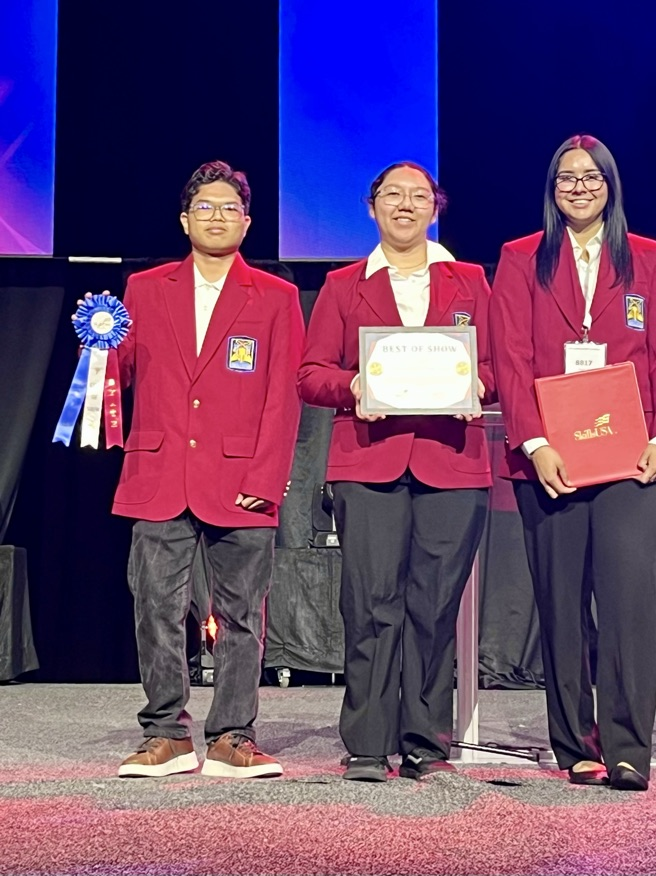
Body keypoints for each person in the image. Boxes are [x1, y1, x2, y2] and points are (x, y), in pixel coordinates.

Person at [489, 134, 656, 791]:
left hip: (631, 457)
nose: (578, 187)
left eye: (591, 177)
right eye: (566, 178)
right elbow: (510, 359)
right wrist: (533, 443)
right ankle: (576, 744)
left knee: (630, 606)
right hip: (551, 458)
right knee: (562, 604)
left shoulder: (649, 259)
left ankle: (630, 748)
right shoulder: (521, 259)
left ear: (610, 185)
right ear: (553, 189)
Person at [298, 161, 494, 781]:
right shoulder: (343, 285)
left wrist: (478, 383)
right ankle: (365, 741)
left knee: (434, 606)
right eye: (392, 195)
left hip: (452, 463)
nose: (405, 206)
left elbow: (494, 365)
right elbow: (310, 374)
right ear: (371, 207)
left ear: (436, 207)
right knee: (369, 602)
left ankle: (425, 741)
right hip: (369, 461)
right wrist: (356, 382)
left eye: (419, 196)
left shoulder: (470, 280)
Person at [108, 160, 304, 778]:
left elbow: (283, 397)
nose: (216, 217)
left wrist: (265, 480)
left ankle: (232, 735)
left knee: (244, 614)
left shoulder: (277, 298)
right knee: (155, 608)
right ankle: (166, 731)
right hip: (158, 474)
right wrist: (102, 352)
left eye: (228, 208)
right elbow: (124, 371)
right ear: (184, 219)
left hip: (242, 480)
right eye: (204, 207)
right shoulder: (145, 289)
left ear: (246, 222)